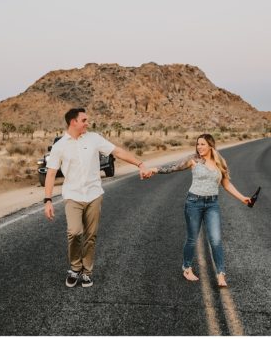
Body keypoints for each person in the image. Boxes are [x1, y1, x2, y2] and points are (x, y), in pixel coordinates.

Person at [43, 107, 150, 288]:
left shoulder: (94, 139)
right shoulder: (60, 146)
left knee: (91, 235)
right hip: (73, 195)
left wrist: (140, 163)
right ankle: (75, 268)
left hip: (94, 194)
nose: (87, 123)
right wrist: (48, 200)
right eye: (84, 120)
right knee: (75, 232)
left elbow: (117, 152)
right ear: (73, 122)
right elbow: (51, 173)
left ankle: (87, 272)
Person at [143, 134, 251, 288]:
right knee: (192, 238)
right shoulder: (193, 159)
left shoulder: (220, 163)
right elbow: (173, 167)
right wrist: (153, 169)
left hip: (212, 204)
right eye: (198, 144)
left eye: (203, 144)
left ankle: (221, 274)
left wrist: (243, 198)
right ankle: (187, 268)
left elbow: (226, 185)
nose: (199, 147)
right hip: (194, 202)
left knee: (216, 239)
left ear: (211, 146)